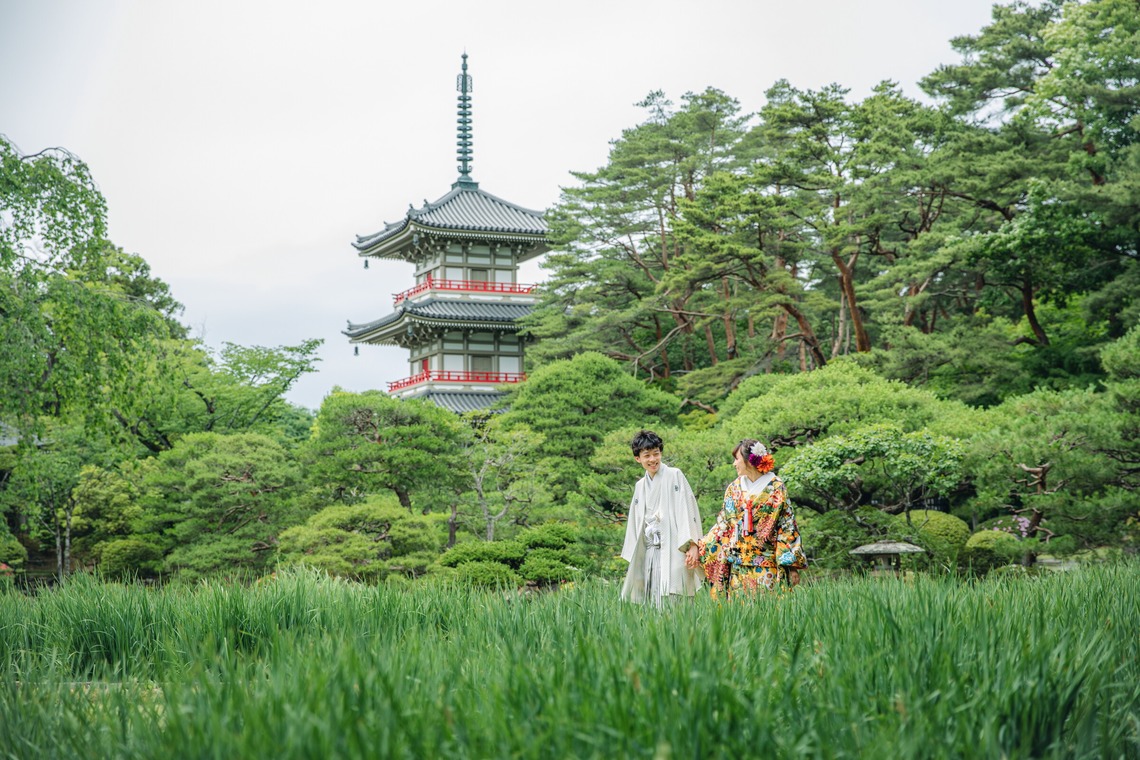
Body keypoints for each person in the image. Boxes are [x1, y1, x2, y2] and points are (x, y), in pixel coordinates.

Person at [698, 438, 807, 597]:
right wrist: (699, 547)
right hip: (738, 565)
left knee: (767, 612)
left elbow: (787, 526)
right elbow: (723, 525)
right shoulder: (733, 488)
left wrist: (791, 566)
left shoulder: (776, 487)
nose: (734, 464)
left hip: (767, 564)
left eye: (737, 459)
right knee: (740, 616)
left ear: (750, 461)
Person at [619, 430, 705, 607]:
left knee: (676, 598)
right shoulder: (640, 486)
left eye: (656, 454)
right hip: (650, 551)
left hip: (674, 549)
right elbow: (636, 524)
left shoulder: (675, 475)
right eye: (647, 455)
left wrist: (693, 545)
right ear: (638, 459)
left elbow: (687, 510)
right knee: (651, 602)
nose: (653, 460)